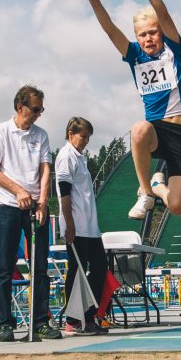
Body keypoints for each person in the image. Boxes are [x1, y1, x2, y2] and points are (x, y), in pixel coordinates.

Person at [84, 0, 181, 221]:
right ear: (137, 37)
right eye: (142, 34)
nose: (148, 38)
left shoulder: (173, 48)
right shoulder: (134, 55)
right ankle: (146, 192)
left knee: (178, 206)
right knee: (138, 129)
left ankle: (158, 186)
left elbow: (162, 11)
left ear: (162, 33)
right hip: (156, 132)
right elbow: (110, 29)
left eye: (153, 32)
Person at [0, 84, 60, 342]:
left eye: (42, 109)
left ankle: (40, 321)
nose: (39, 113)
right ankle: (6, 323)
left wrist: (42, 203)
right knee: (5, 267)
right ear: (20, 107)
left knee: (40, 267)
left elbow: (45, 171)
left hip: (36, 207)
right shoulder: (0, 132)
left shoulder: (41, 135)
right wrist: (18, 191)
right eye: (36, 109)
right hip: (7, 205)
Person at [57, 117, 109, 335]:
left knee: (99, 268)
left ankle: (87, 317)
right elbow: (64, 193)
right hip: (76, 226)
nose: (86, 141)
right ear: (71, 134)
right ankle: (73, 320)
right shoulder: (66, 156)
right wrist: (69, 225)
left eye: (88, 137)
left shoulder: (81, 158)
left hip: (90, 227)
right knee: (76, 272)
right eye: (83, 136)